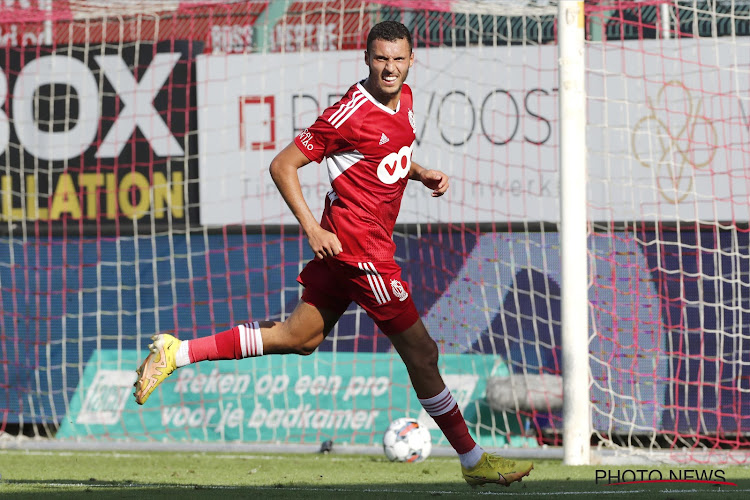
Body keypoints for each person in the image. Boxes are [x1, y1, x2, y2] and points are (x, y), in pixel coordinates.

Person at [133, 20, 533, 488]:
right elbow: (282, 165)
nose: (389, 67)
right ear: (367, 58)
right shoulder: (347, 113)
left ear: (411, 60)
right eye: (381, 58)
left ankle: (177, 352)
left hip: (358, 245)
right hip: (359, 252)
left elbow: (382, 155)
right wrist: (310, 228)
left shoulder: (404, 99)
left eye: (397, 59)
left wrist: (418, 173)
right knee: (422, 352)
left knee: (298, 337)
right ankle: (473, 460)